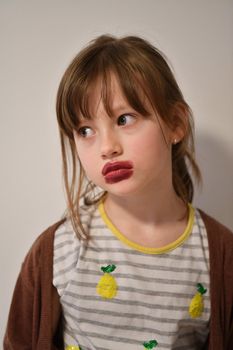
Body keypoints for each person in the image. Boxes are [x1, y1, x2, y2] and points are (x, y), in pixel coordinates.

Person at [3, 35, 233, 350]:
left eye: (124, 119)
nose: (107, 148)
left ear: (175, 123)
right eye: (85, 130)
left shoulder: (219, 255)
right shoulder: (59, 249)